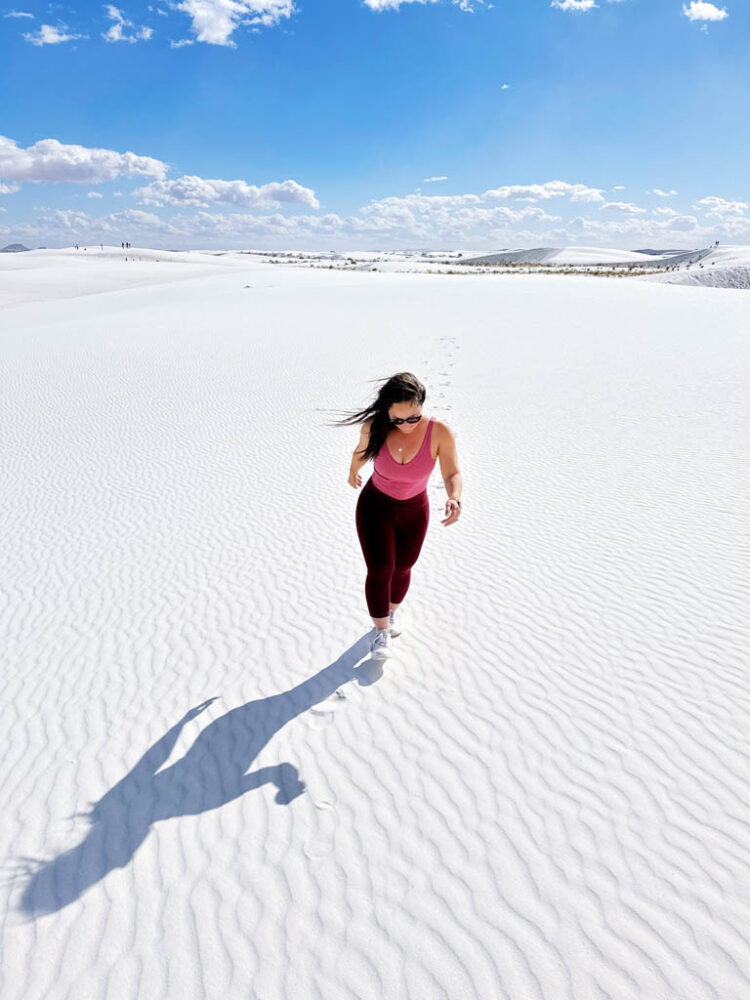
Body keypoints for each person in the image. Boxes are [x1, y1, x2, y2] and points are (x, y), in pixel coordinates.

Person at [332, 372, 462, 661]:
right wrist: (353, 470)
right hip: (375, 506)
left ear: (421, 407)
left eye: (413, 418)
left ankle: (391, 613)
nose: (405, 425)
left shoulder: (439, 432)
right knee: (380, 568)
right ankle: (380, 633)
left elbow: (452, 472)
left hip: (414, 509)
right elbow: (361, 453)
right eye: (397, 420)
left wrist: (454, 497)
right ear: (386, 413)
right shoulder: (375, 427)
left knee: (403, 566)